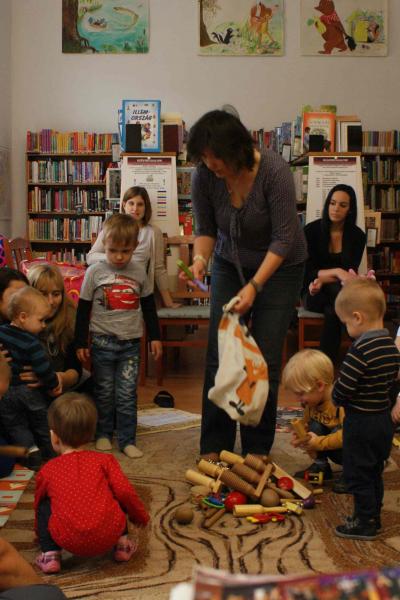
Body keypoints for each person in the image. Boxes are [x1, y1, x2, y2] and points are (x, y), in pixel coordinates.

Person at [185, 109, 307, 459]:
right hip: (229, 261)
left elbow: (284, 238)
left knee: (262, 357)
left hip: (281, 268)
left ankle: (257, 448)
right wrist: (200, 260)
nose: (210, 164)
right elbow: (205, 229)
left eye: (215, 156)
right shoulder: (204, 176)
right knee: (220, 351)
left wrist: (254, 286)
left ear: (236, 148)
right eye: (204, 157)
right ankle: (215, 445)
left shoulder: (274, 171)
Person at [75, 214, 162, 459]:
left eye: (125, 251)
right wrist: (80, 341)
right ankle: (103, 434)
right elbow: (83, 309)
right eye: (113, 251)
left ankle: (127, 439)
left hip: (130, 345)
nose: (119, 257)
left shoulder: (139, 272)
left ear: (135, 247)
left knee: (126, 394)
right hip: (102, 342)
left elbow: (149, 307)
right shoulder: (94, 272)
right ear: (104, 245)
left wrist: (155, 337)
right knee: (104, 392)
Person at [34, 392, 150, 574]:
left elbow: (38, 503)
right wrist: (140, 517)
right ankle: (122, 545)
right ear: (91, 434)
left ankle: (50, 555)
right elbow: (125, 493)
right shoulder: (105, 461)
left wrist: (39, 532)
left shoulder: (48, 469)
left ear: (54, 437)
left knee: (43, 504)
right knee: (116, 490)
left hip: (67, 540)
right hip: (109, 534)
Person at [332, 279, 400, 540]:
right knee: (374, 471)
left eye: (346, 323)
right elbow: (392, 380)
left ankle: (364, 522)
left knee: (358, 472)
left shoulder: (359, 350)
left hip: (361, 422)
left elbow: (344, 388)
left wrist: (335, 397)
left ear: (357, 317)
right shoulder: (391, 347)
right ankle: (373, 515)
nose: (347, 328)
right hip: (383, 420)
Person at [87, 186, 180, 309]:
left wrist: (168, 302)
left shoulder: (153, 233)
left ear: (146, 207)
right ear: (124, 205)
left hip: (137, 288)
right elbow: (90, 258)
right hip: (109, 285)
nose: (135, 208)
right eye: (131, 203)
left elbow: (159, 269)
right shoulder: (111, 228)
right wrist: (113, 258)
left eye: (140, 204)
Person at [303, 184, 366, 363]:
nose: (336, 208)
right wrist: (337, 272)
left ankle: (325, 363)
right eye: (332, 203)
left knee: (333, 311)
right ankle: (362, 346)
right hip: (312, 291)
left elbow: (350, 274)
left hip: (338, 295)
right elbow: (307, 273)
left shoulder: (357, 236)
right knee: (338, 293)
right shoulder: (311, 231)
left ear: (350, 210)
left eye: (342, 205)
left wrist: (325, 278)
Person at [0, 287, 60, 468]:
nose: (44, 325)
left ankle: (32, 454)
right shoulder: (32, 342)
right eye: (41, 320)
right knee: (41, 421)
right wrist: (53, 383)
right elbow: (43, 369)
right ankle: (50, 452)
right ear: (23, 317)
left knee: (15, 425)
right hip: (28, 391)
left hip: (5, 392)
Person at [282, 349, 346, 493]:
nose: (297, 399)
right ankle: (321, 466)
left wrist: (318, 442)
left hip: (353, 446)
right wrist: (302, 436)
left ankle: (354, 473)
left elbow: (348, 436)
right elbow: (306, 424)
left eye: (300, 393)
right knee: (315, 425)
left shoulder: (342, 403)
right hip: (331, 443)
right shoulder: (312, 403)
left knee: (342, 432)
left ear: (319, 386)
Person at [25, 263, 83, 395]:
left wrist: (60, 379)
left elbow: (75, 369)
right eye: (43, 294)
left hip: (62, 384)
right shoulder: (19, 321)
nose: (50, 301)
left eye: (56, 294)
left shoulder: (70, 319)